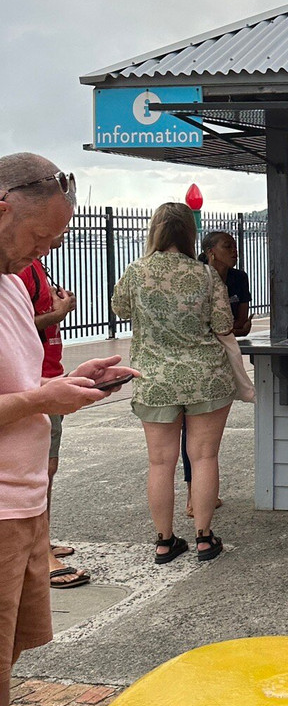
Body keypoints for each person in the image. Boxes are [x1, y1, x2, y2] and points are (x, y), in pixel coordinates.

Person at [0, 153, 135, 706]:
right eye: (40, 235)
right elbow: (26, 393)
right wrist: (41, 398)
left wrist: (72, 379)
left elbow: (20, 380)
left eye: (57, 239)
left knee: (7, 656)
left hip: (24, 504)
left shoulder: (10, 285)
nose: (46, 251)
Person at [112, 203, 234, 565]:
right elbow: (224, 323)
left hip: (155, 379)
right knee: (204, 457)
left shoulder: (135, 272)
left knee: (160, 463)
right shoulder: (206, 275)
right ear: (188, 234)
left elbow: (120, 309)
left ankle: (164, 541)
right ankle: (204, 538)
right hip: (205, 378)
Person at [18, 232, 92, 590]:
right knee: (42, 466)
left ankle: (41, 542)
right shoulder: (22, 269)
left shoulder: (32, 265)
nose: (60, 235)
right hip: (37, 378)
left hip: (47, 373)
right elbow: (19, 328)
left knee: (47, 466)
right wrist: (59, 313)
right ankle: (40, 554)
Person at [179, 231, 252, 518]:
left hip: (223, 361)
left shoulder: (238, 278)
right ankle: (192, 495)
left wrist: (222, 328)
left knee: (206, 438)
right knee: (191, 433)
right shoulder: (196, 275)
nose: (234, 250)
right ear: (210, 250)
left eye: (235, 245)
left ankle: (203, 493)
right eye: (227, 246)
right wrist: (223, 328)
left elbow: (243, 324)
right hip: (199, 362)